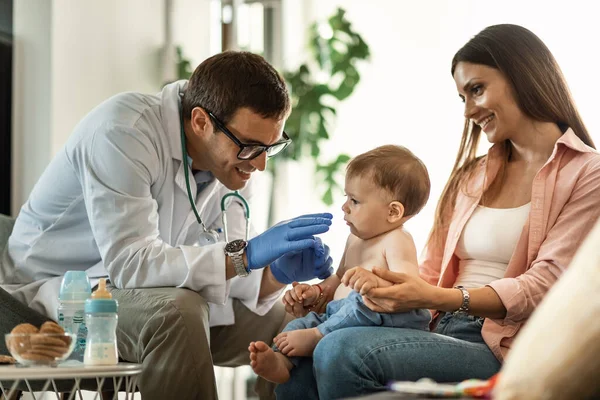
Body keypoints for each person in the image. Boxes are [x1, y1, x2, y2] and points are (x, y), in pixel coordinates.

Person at [275, 24, 600, 400]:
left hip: (502, 344)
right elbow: (429, 269)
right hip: (437, 326)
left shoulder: (587, 173)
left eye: (477, 89)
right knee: (295, 357)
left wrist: (437, 297)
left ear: (522, 75)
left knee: (337, 349)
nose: (468, 110)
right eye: (462, 97)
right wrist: (358, 293)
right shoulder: (473, 174)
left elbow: (545, 285)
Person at [0, 51, 335, 400]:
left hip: (149, 289)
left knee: (292, 325)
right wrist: (247, 255)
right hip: (54, 292)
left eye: (271, 146)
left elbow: (220, 267)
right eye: (252, 147)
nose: (262, 164)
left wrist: (273, 276)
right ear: (201, 121)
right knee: (178, 312)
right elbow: (131, 264)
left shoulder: (233, 162)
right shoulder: (123, 132)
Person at [249, 145, 432, 383]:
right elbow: (340, 277)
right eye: (346, 197)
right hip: (342, 315)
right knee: (298, 325)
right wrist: (317, 291)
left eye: (354, 200)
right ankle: (281, 362)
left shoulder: (398, 240)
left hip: (383, 318)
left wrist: (376, 283)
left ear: (393, 212)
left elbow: (407, 288)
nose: (344, 206)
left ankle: (318, 335)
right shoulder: (355, 238)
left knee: (360, 300)